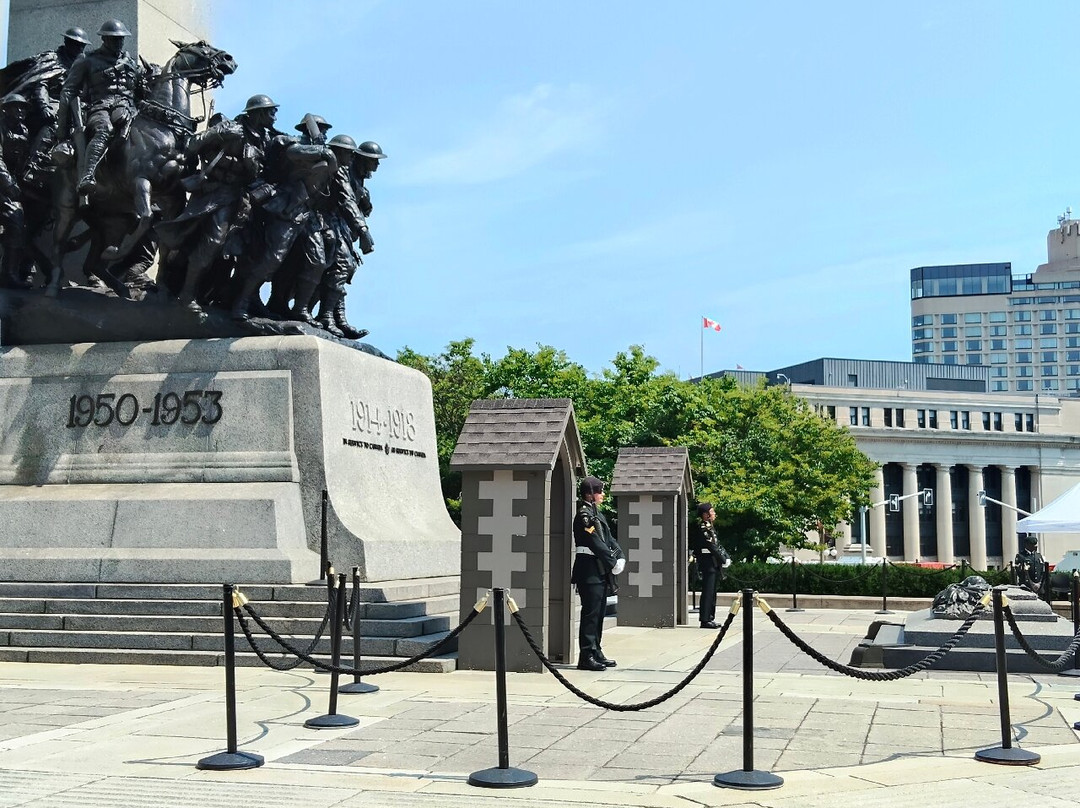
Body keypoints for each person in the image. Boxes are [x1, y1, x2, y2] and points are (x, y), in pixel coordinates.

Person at [56, 19, 141, 193]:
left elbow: (140, 91)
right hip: (101, 108)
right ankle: (88, 175)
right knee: (104, 129)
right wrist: (62, 132)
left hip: (128, 108)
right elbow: (68, 92)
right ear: (104, 39)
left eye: (121, 38)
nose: (119, 42)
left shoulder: (131, 63)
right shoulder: (87, 60)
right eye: (114, 39)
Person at [571, 476, 625, 671]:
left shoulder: (597, 514)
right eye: (599, 491)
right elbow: (594, 541)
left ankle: (596, 650)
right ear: (590, 494)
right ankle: (586, 655)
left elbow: (609, 539)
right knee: (590, 614)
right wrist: (611, 562)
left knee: (599, 613)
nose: (602, 495)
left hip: (600, 569)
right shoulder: (584, 515)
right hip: (589, 570)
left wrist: (620, 556)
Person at [689, 502, 730, 629]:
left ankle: (710, 617)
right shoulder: (704, 528)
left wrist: (726, 557)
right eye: (712, 511)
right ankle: (705, 619)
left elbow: (718, 545)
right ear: (705, 515)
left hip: (713, 563)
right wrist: (723, 559)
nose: (714, 513)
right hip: (707, 563)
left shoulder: (710, 527)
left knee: (712, 592)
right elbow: (711, 547)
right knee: (708, 591)